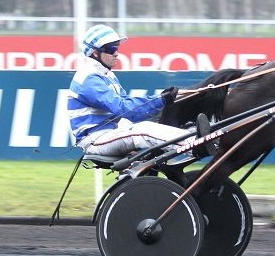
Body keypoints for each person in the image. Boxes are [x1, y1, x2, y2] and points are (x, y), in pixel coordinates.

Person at [68, 24, 202, 157]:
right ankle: (195, 145)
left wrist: (163, 102)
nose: (116, 53)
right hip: (94, 140)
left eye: (117, 48)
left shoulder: (107, 75)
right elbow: (123, 108)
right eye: (111, 49)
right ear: (95, 53)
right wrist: (161, 100)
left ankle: (200, 136)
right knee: (143, 129)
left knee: (157, 122)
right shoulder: (88, 79)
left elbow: (132, 111)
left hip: (109, 134)